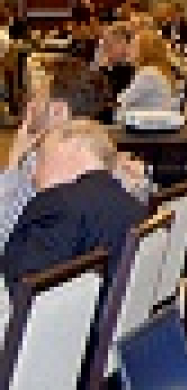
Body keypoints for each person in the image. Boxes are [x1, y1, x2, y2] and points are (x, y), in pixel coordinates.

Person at [0, 58, 149, 251]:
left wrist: (14, 159)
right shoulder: (108, 160)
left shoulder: (45, 167)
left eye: (36, 97)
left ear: (58, 111)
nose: (29, 106)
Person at [2, 120, 147, 292]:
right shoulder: (132, 205)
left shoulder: (58, 205)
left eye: (42, 157)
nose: (34, 174)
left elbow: (21, 287)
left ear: (73, 148)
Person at [116, 30, 178, 116]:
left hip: (148, 125)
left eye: (133, 46)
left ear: (144, 51)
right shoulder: (156, 70)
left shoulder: (148, 74)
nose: (128, 50)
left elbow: (121, 101)